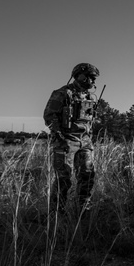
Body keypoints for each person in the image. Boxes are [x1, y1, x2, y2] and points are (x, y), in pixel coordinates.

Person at [43, 62, 99, 216]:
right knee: (64, 178)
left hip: (85, 141)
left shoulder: (89, 97)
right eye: (91, 77)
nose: (93, 81)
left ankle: (83, 210)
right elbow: (49, 115)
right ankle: (56, 214)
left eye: (94, 78)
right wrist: (59, 135)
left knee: (87, 174)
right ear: (79, 75)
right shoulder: (62, 93)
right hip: (66, 141)